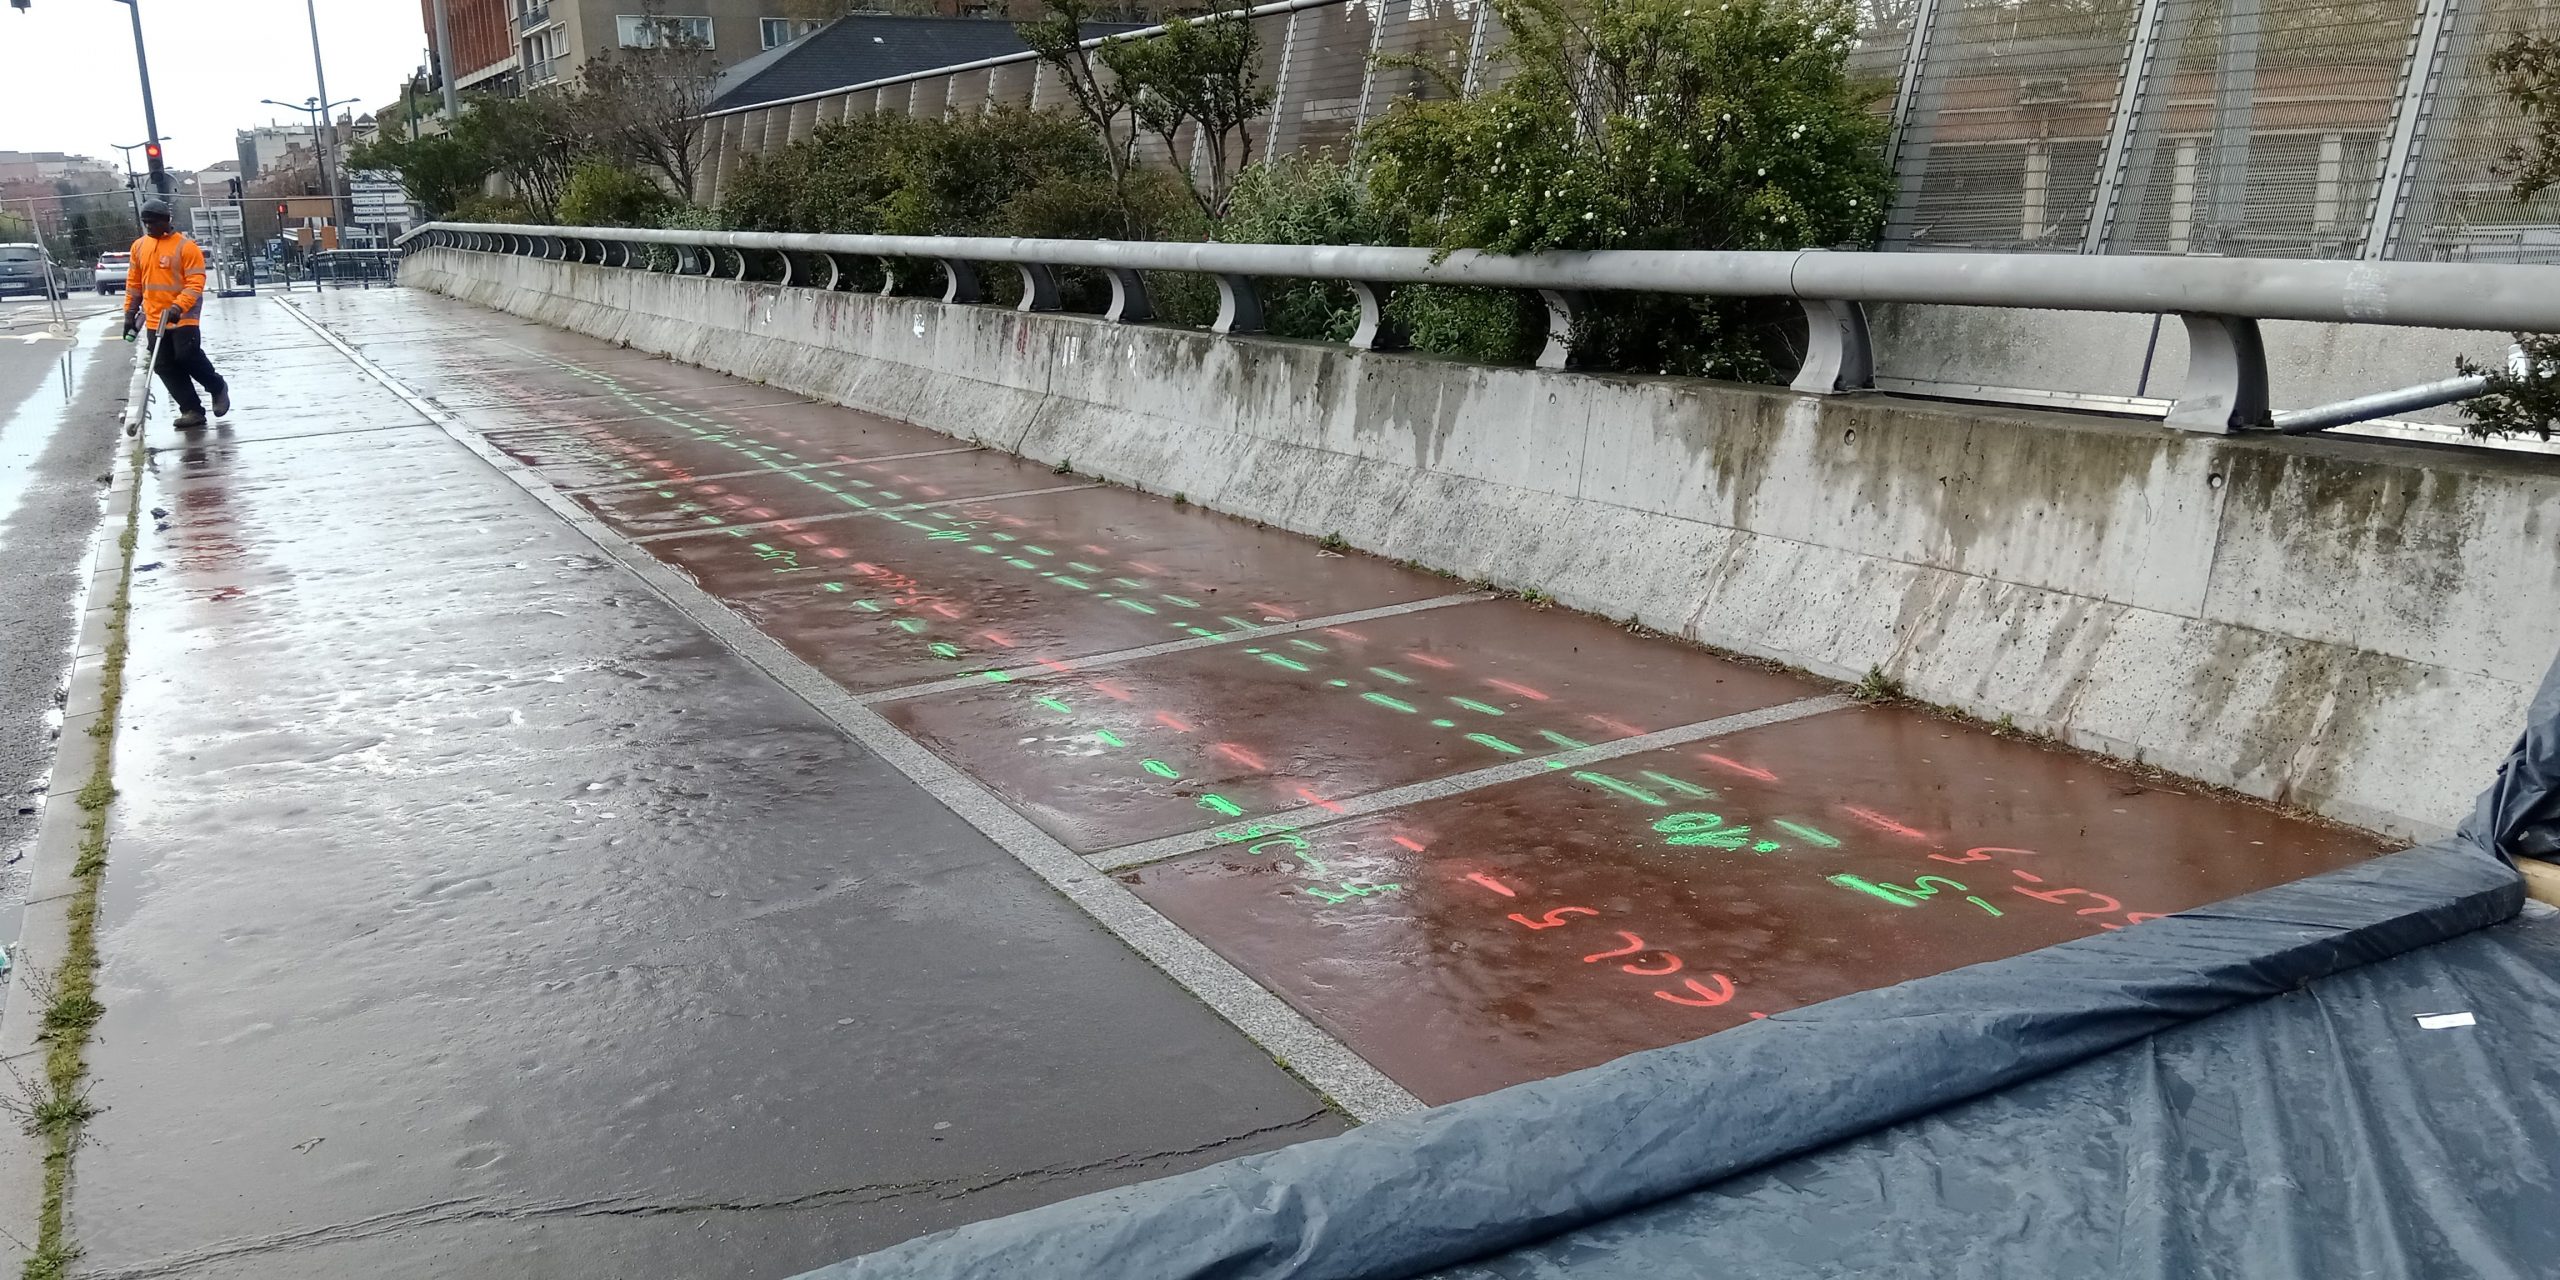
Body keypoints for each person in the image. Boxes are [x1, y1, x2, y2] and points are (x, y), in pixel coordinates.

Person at [124, 199, 230, 430]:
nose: (149, 226)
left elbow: (195, 282)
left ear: (166, 220)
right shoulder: (139, 247)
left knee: (187, 355)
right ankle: (191, 409)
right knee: (163, 364)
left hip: (184, 315)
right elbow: (134, 283)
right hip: (155, 316)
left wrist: (178, 306)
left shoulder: (185, 248)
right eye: (145, 222)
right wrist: (130, 313)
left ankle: (217, 386)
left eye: (153, 222)